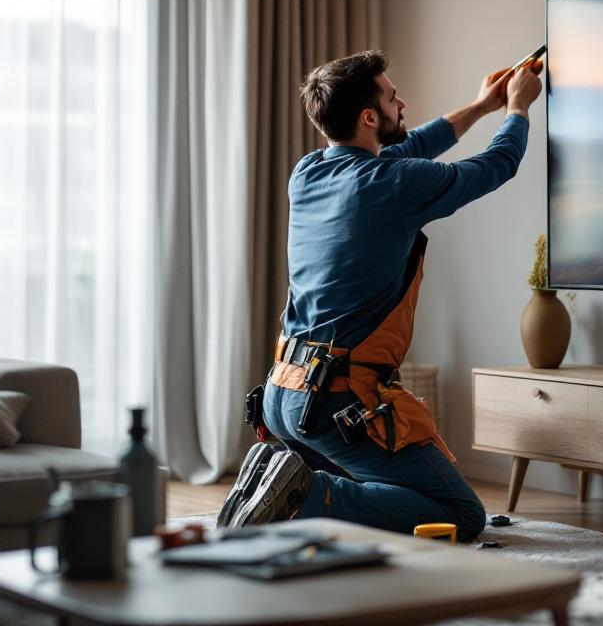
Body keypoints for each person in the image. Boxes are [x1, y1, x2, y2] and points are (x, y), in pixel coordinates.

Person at [213, 50, 541, 540]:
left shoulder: (308, 172)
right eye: (392, 97)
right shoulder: (393, 184)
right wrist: (518, 108)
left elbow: (414, 144)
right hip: (334, 406)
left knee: (380, 493)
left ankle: (283, 477)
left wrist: (480, 105)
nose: (401, 104)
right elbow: (497, 165)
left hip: (283, 396)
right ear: (369, 117)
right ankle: (307, 493)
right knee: (461, 514)